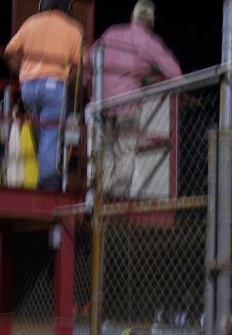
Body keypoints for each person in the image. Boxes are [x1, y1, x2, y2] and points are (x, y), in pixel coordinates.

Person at [85, 0, 182, 198]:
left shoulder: (111, 32)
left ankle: (100, 197)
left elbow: (89, 61)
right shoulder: (149, 42)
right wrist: (149, 77)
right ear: (152, 21)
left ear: (132, 16)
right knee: (125, 151)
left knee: (104, 150)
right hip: (127, 104)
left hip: (101, 103)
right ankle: (118, 199)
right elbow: (175, 74)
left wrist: (89, 87)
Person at [4, 0, 84, 191]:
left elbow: (9, 52)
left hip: (28, 88)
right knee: (51, 133)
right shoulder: (73, 29)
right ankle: (48, 181)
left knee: (40, 132)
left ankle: (43, 170)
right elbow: (79, 66)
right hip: (54, 86)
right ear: (67, 7)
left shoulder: (30, 22)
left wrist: (22, 72)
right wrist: (69, 80)